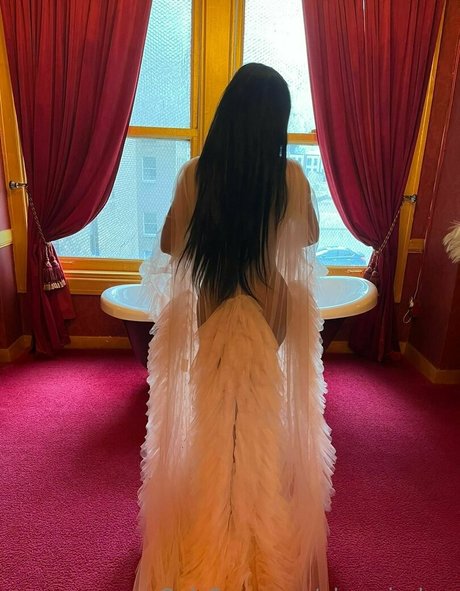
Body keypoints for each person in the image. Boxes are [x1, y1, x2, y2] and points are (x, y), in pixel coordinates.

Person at [134, 63, 336, 591]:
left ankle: (216, 521)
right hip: (271, 309)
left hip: (214, 307)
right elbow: (311, 236)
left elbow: (169, 245)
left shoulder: (195, 174)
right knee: (260, 422)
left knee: (215, 421)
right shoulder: (290, 178)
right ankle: (256, 525)